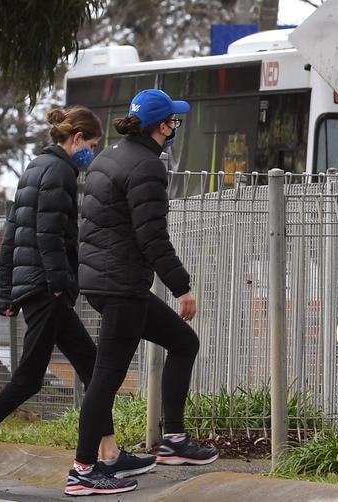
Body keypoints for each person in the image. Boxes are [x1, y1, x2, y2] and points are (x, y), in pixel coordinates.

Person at [0, 107, 156, 495]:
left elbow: (13, 233)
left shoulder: (36, 167)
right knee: (28, 380)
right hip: (46, 290)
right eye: (91, 145)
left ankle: (108, 453)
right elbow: (49, 236)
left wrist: (6, 291)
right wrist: (60, 286)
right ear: (77, 138)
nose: (91, 153)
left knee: (91, 365)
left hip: (39, 287)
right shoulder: (60, 172)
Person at [66, 89, 216, 497]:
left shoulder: (107, 157)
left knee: (183, 342)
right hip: (121, 287)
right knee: (106, 377)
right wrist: (182, 287)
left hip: (105, 281)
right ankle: (83, 470)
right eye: (174, 121)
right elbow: (152, 236)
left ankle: (174, 442)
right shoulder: (147, 166)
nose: (175, 127)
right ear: (162, 127)